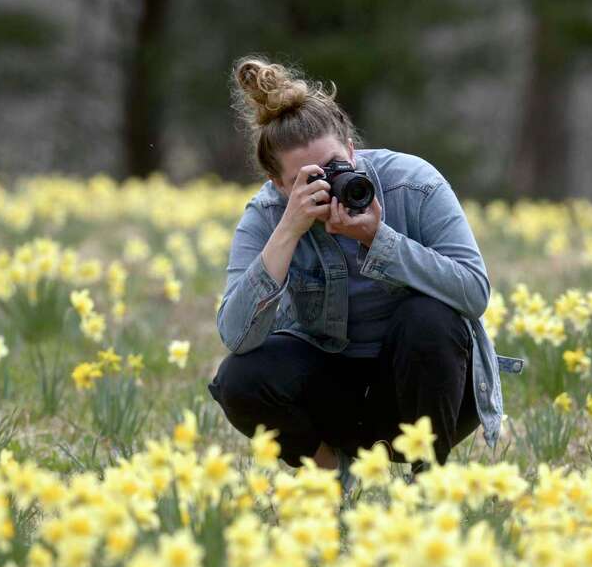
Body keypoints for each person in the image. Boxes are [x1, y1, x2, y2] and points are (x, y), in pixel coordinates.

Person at [208, 56, 503, 486]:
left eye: (334, 164)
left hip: (426, 389)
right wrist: (288, 231)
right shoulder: (268, 214)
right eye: (307, 180)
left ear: (350, 146)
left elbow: (474, 293)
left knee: (431, 318)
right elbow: (235, 336)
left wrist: (379, 240)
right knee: (239, 379)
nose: (328, 183)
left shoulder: (413, 184)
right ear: (278, 185)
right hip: (332, 395)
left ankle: (428, 483)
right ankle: (332, 473)